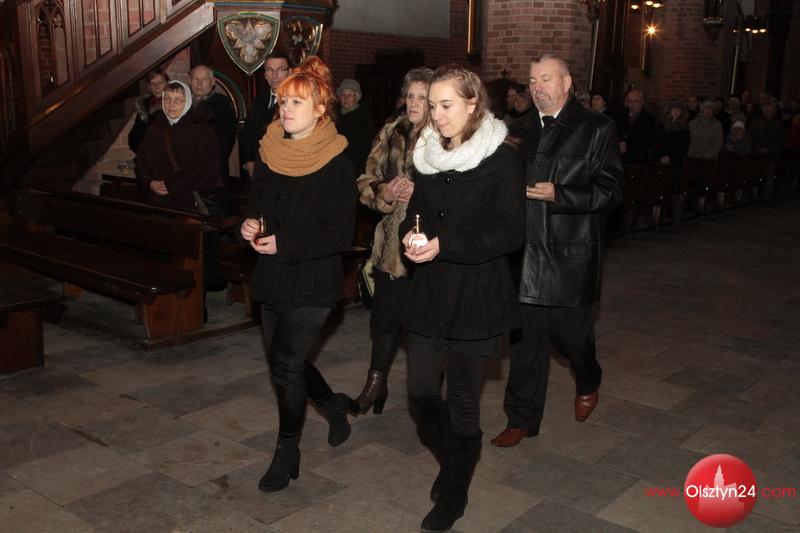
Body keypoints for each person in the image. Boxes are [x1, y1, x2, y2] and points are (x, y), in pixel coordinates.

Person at [400, 64, 525, 532]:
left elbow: (510, 232)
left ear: (473, 103)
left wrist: (445, 244)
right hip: (430, 293)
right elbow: (415, 214)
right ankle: (457, 461)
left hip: (476, 297)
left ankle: (454, 493)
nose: (436, 114)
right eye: (432, 105)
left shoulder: (502, 158)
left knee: (463, 401)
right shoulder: (427, 154)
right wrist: (411, 238)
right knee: (420, 396)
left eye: (446, 105)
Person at [239, 57, 358, 492]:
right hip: (273, 274)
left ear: (320, 109)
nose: (286, 109)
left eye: (297, 102)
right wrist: (249, 225)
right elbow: (257, 205)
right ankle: (330, 404)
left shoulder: (336, 162)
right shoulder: (270, 151)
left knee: (287, 365)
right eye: (283, 101)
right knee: (285, 362)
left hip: (313, 278)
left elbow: (339, 232)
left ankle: (287, 449)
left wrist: (285, 242)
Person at [492, 54, 622, 448]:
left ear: (567, 83)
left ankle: (588, 375)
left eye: (546, 79)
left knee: (569, 337)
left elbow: (612, 192)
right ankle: (521, 419)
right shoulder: (516, 130)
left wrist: (561, 194)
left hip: (571, 255)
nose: (537, 88)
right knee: (526, 342)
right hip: (525, 254)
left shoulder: (596, 128)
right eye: (532, 81)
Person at [352, 67, 434, 415]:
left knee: (424, 327)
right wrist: (384, 191)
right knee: (384, 320)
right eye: (410, 96)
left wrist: (421, 193)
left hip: (429, 246)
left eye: (422, 97)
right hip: (391, 248)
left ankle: (427, 394)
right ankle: (376, 384)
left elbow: (458, 193)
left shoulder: (445, 136)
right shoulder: (390, 131)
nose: (414, 103)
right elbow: (364, 181)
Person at [134, 81, 221, 212]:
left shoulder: (202, 129)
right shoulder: (155, 127)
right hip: (157, 201)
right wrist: (149, 182)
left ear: (187, 102)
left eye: (178, 100)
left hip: (188, 203)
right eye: (167, 99)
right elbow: (140, 159)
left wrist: (171, 185)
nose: (171, 105)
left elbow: (204, 167)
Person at [239, 52, 291, 178]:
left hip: (281, 171)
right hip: (255, 169)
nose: (275, 75)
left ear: (289, 72)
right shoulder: (258, 100)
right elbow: (246, 134)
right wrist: (249, 162)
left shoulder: (295, 103)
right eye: (270, 70)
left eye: (280, 70)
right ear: (265, 75)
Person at [190, 65, 237, 185]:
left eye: (204, 79)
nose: (199, 83)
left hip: (212, 173)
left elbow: (224, 144)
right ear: (190, 81)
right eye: (196, 79)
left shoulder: (223, 105)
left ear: (212, 82)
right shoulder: (183, 104)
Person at [335, 78, 375, 175]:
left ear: (356, 97)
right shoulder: (334, 116)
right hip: (336, 163)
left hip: (355, 166)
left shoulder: (364, 117)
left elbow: (364, 144)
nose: (346, 98)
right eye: (343, 94)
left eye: (350, 95)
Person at [128, 69, 169, 153]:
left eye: (160, 83)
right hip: (144, 155)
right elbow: (134, 136)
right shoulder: (144, 105)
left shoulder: (172, 106)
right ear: (149, 86)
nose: (157, 87)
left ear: (167, 84)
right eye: (153, 84)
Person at [618, 89, 660, 163]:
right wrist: (620, 141)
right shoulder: (620, 115)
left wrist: (628, 145)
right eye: (630, 101)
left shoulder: (650, 118)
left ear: (642, 101)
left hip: (639, 158)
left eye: (635, 101)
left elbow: (649, 140)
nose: (632, 104)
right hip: (621, 158)